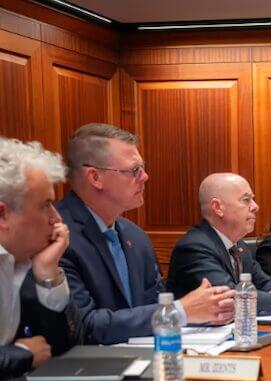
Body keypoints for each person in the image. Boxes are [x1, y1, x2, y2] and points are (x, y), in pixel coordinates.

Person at [57, 124, 234, 345]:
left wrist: (203, 312)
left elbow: (156, 306)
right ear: (95, 177)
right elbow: (86, 326)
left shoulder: (136, 236)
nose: (145, 177)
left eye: (143, 168)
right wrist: (181, 311)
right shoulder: (58, 236)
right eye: (134, 170)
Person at [167, 173, 271, 315]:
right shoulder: (194, 247)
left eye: (253, 199)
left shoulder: (239, 246)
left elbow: (264, 282)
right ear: (217, 207)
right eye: (246, 200)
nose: (255, 206)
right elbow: (228, 297)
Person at [0, 138, 77, 379]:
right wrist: (22, 353)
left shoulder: (21, 260)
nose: (57, 219)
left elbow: (57, 350)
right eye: (45, 206)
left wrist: (47, 273)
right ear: (2, 214)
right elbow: (32, 352)